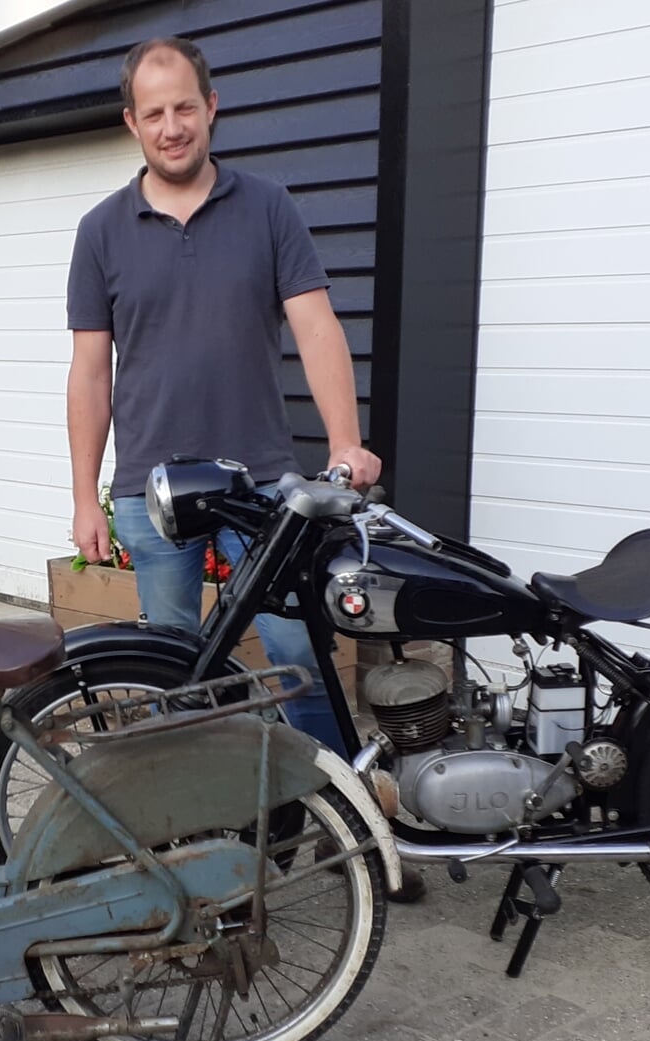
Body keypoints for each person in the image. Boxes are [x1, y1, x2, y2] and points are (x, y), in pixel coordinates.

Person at [65, 36, 424, 902]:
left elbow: (315, 325)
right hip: (150, 491)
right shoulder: (101, 231)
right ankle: (194, 847)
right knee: (176, 672)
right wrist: (84, 496)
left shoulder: (268, 208)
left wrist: (346, 443)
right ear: (131, 124)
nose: (171, 125)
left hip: (263, 481)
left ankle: (357, 839)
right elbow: (89, 369)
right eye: (152, 112)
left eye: (184, 105)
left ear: (211, 106)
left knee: (301, 654)